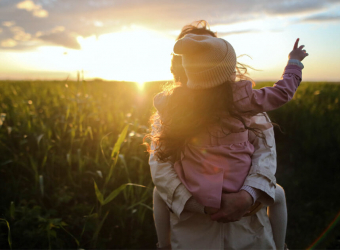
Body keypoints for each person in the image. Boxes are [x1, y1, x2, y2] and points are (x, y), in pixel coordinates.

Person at [148, 21, 308, 249]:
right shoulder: (244, 100)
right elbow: (161, 168)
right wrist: (294, 63)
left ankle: (162, 246)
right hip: (192, 231)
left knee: (158, 195)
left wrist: (246, 196)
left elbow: (265, 155)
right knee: (278, 194)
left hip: (249, 230)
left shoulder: (172, 106)